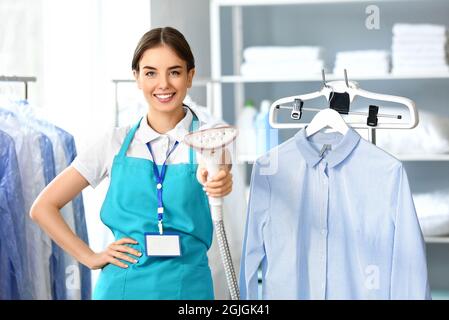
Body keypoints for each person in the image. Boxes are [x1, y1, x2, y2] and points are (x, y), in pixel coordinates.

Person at [30, 26, 233, 300]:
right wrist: (90, 257)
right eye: (150, 73)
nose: (163, 84)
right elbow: (43, 207)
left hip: (188, 290)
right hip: (121, 288)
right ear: (137, 78)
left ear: (190, 76)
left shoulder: (211, 138)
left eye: (174, 72)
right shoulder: (113, 143)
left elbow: (217, 171)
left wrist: (217, 180)